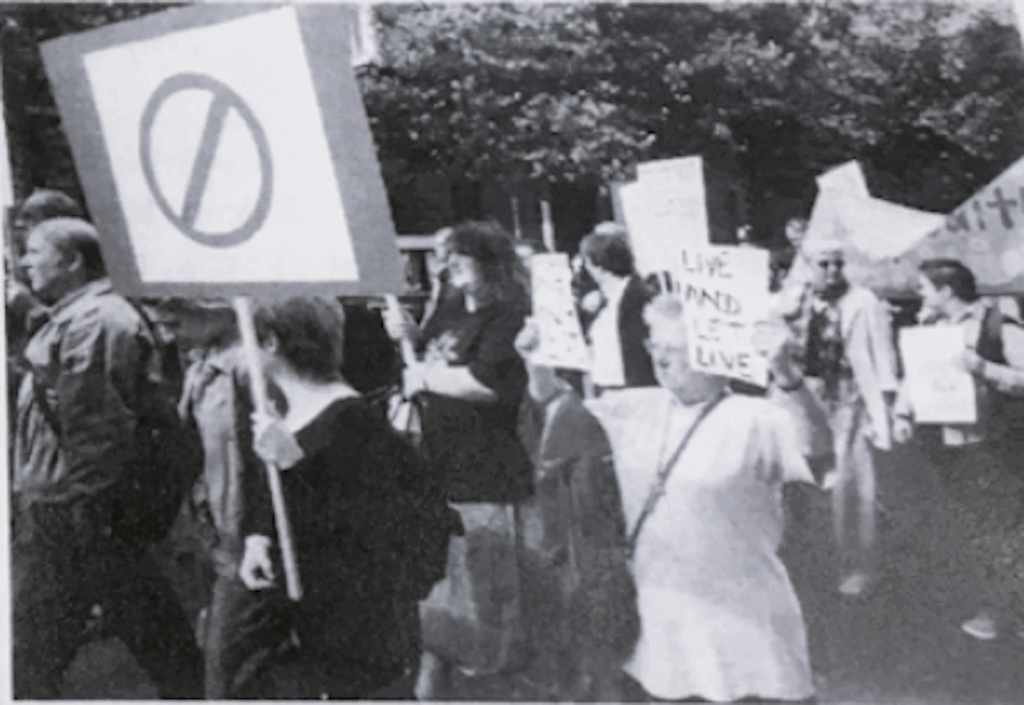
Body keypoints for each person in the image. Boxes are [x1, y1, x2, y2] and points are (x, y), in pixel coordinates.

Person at [583, 294, 824, 702]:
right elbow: (550, 410)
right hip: (661, 617)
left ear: (714, 353)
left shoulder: (753, 417)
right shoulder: (635, 408)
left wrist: (785, 372)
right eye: (654, 346)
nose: (661, 359)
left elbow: (816, 447)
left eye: (674, 349)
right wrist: (537, 360)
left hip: (742, 618)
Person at [11, 217, 203, 698]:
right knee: (129, 625)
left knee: (45, 642)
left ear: (73, 260)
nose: (24, 262)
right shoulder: (81, 317)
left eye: (35, 251)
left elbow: (96, 428)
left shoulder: (96, 321)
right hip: (73, 506)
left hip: (76, 507)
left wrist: (90, 512)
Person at [238, 297, 455, 699]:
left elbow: (369, 529)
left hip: (358, 628)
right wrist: (259, 536)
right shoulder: (290, 416)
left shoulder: (353, 423)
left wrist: (293, 464)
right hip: (319, 619)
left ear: (269, 342)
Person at [383, 220, 533, 699]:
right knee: (441, 606)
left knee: (483, 611)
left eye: (459, 257)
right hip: (438, 472)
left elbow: (489, 384)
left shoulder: (510, 314)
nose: (447, 266)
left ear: (489, 263)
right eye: (446, 258)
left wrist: (424, 377)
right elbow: (421, 361)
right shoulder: (448, 309)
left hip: (484, 476)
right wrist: (407, 335)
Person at [893, 259, 1024, 641]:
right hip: (947, 444)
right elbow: (914, 376)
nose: (919, 295)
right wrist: (903, 413)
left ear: (946, 291)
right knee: (971, 523)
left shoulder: (1000, 323)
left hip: (995, 444)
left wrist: (982, 367)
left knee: (1002, 526)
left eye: (924, 288)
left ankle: (1006, 611)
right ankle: (993, 606)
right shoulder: (930, 328)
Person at [513, 318, 639, 701]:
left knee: (601, 653)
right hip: (573, 552)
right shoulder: (563, 406)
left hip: (597, 550)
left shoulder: (600, 412)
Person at [784, 239, 898, 597]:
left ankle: (859, 565)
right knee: (802, 476)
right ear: (807, 266)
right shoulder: (791, 300)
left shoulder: (863, 302)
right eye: (824, 265)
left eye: (838, 264)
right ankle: (809, 559)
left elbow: (884, 357)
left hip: (849, 396)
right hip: (804, 397)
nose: (833, 272)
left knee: (853, 485)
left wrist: (886, 409)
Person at [579, 222, 657, 393]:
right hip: (607, 387)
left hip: (632, 391)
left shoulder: (636, 296)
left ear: (596, 264)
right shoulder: (602, 298)